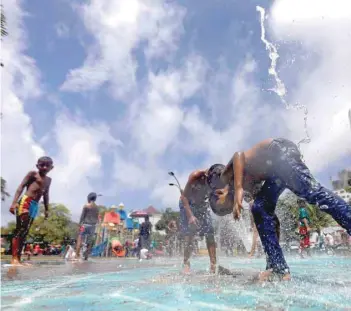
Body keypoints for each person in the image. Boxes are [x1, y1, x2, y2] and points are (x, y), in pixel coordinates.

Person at [208, 138, 351, 281]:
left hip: (279, 151)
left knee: (312, 193)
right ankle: (277, 267)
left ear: (219, 193)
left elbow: (238, 155)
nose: (229, 209)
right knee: (260, 208)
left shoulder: (227, 178)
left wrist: (238, 188)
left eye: (224, 208)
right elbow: (269, 218)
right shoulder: (249, 189)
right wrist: (272, 232)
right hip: (276, 172)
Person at [9, 156, 53, 266]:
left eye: (47, 165)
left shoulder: (48, 180)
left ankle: (18, 259)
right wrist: (14, 203)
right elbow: (21, 187)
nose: (44, 167)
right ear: (37, 165)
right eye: (42, 164)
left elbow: (46, 195)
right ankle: (14, 259)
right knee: (20, 229)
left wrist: (47, 210)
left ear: (52, 167)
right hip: (26, 201)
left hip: (35, 206)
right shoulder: (33, 174)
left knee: (25, 232)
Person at [180, 169, 217, 274]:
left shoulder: (216, 182)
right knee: (190, 234)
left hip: (202, 205)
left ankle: (213, 264)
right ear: (205, 176)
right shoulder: (195, 176)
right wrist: (191, 216)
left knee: (210, 232)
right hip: (187, 204)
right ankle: (186, 263)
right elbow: (184, 197)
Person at [75, 192, 99, 260]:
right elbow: (96, 218)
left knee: (79, 238)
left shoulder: (86, 206)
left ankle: (76, 255)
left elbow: (82, 217)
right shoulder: (97, 208)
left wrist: (79, 225)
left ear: (88, 198)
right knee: (89, 242)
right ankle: (86, 257)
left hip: (84, 225)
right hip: (93, 226)